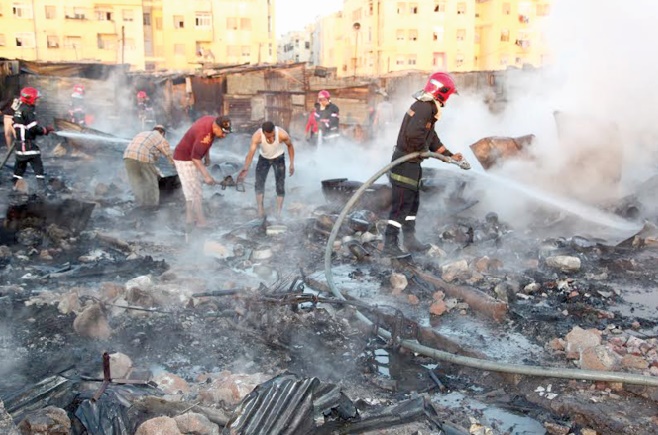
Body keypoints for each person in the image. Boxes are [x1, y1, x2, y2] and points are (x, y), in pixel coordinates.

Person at [383, 72, 463, 257]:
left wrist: (450, 155)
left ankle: (410, 241)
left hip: (412, 164)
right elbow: (413, 135)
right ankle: (390, 244)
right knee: (402, 206)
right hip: (405, 164)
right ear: (441, 91)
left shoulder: (427, 107)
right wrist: (424, 150)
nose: (448, 99)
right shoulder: (425, 107)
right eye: (448, 94)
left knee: (412, 205)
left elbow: (431, 137)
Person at [172, 115, 232, 227]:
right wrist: (207, 176)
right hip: (185, 159)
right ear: (216, 127)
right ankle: (200, 221)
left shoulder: (213, 120)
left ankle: (190, 219)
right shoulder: (205, 135)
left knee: (192, 190)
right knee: (195, 191)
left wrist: (207, 156)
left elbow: (205, 143)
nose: (224, 136)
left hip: (190, 155)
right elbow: (195, 157)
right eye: (223, 133)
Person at [237, 121, 295, 219]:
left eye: (272, 136)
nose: (271, 139)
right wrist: (245, 169)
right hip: (264, 158)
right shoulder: (257, 136)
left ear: (274, 131)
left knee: (280, 184)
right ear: (263, 132)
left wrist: (292, 163)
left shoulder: (282, 134)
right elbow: (251, 153)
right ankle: (260, 209)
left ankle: (278, 213)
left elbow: (290, 146)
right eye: (268, 137)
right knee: (259, 183)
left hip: (279, 158)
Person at [12, 87, 54, 191]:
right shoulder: (28, 110)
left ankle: (13, 190)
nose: (37, 101)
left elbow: (16, 124)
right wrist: (45, 130)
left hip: (19, 147)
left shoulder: (19, 108)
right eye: (36, 99)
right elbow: (34, 129)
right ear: (29, 99)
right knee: (38, 169)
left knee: (19, 170)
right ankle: (42, 191)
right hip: (29, 146)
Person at [123, 125, 175, 210]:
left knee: (136, 182)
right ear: (162, 133)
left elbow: (154, 156)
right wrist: (176, 166)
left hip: (128, 157)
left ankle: (140, 205)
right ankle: (152, 207)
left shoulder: (142, 134)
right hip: (143, 157)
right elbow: (168, 154)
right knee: (151, 182)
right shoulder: (160, 138)